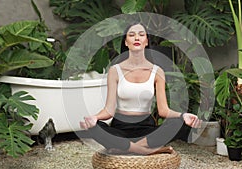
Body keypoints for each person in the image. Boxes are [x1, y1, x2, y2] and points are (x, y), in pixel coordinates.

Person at [78, 22, 202, 155]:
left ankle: (126, 148)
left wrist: (183, 115)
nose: (137, 38)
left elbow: (163, 110)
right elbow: (109, 110)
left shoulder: (157, 71)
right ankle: (144, 150)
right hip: (120, 128)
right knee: (94, 127)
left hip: (146, 129)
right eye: (131, 35)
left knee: (181, 123)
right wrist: (94, 118)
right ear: (126, 42)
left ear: (146, 41)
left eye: (141, 35)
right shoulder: (115, 70)